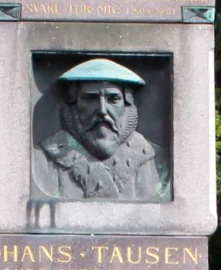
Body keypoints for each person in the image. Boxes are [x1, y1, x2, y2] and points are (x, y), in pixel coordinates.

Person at [35, 57, 170, 201]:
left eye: (113, 99)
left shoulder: (156, 161)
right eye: (89, 99)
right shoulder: (42, 161)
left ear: (127, 106)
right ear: (73, 107)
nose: (102, 110)